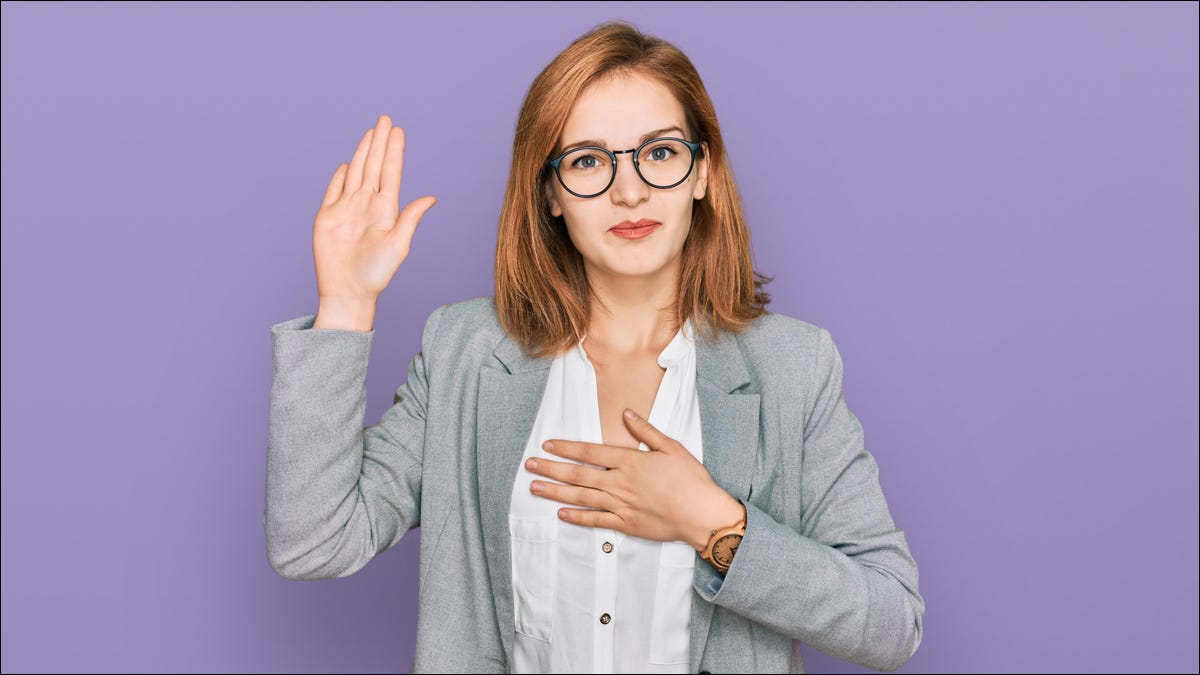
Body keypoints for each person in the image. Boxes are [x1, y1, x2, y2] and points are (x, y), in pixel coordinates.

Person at [265, 20, 924, 674]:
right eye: (587, 161)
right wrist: (346, 306)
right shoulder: (464, 352)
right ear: (550, 193)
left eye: (660, 152)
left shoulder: (792, 369)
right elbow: (314, 542)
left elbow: (892, 621)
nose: (629, 189)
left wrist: (715, 524)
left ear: (704, 172)